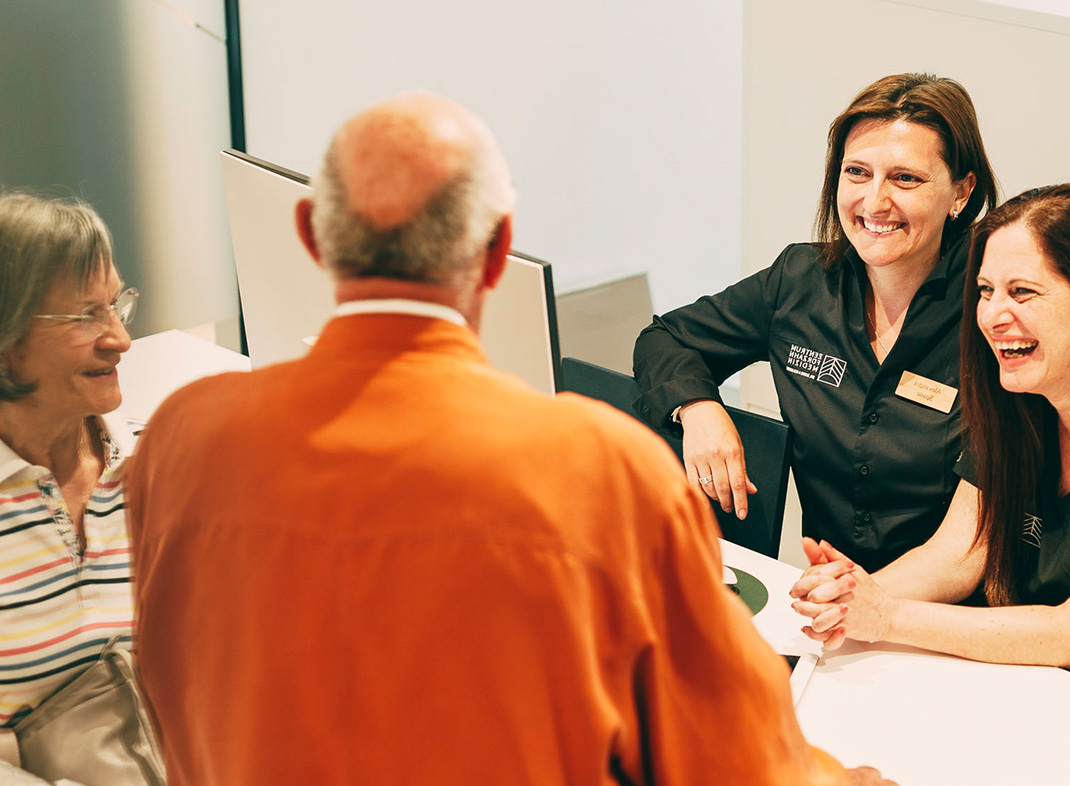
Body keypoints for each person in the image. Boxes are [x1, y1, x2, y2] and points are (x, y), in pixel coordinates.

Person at [126, 92, 894, 785]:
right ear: (498, 250)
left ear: (310, 236)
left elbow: (162, 690)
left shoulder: (180, 437)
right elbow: (736, 761)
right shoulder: (604, 468)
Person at [791, 184, 1070, 709]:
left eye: (1022, 292)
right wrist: (851, 596)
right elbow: (958, 553)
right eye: (985, 292)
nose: (992, 316)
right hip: (1016, 695)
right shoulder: (1019, 404)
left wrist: (889, 616)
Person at [633, 73, 997, 573]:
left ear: (961, 191)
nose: (874, 203)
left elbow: (972, 545)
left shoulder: (994, 310)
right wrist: (697, 407)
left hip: (949, 615)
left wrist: (865, 605)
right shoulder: (801, 280)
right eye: (857, 173)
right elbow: (666, 337)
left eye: (905, 178)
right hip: (824, 605)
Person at [0, 195, 140, 744]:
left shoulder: (146, 474)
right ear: (6, 346)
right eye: (86, 316)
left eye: (117, 305)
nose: (121, 340)